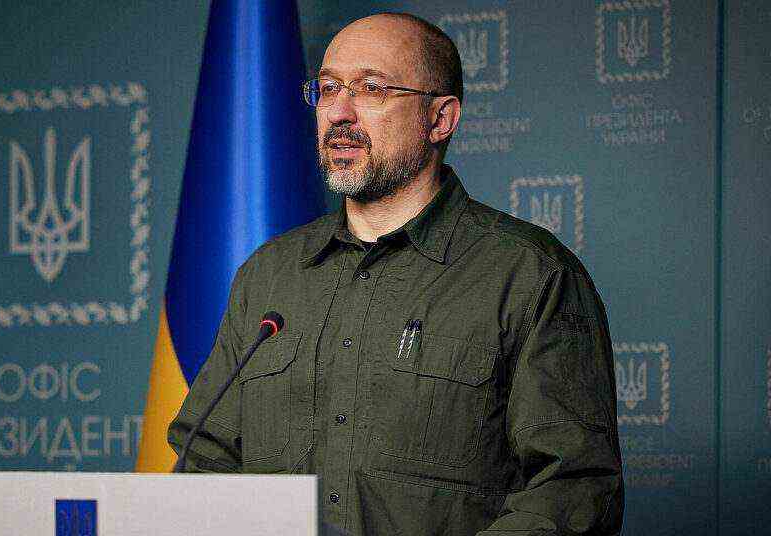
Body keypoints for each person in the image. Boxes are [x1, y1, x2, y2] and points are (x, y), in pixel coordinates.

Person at [169, 12, 623, 536]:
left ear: (440, 119)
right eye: (328, 88)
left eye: (371, 89)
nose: (339, 112)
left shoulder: (529, 275)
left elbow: (570, 492)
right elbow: (205, 463)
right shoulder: (270, 274)